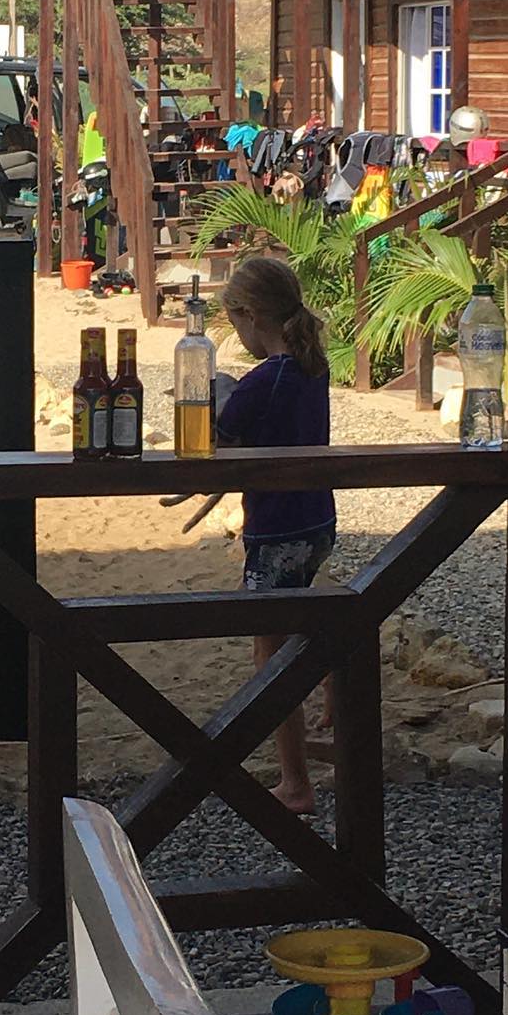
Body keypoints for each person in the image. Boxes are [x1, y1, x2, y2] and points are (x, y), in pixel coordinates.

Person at [217, 256, 336, 814]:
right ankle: (334, 705)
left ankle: (296, 781)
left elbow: (223, 433)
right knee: (305, 623)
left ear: (248, 316)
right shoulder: (314, 368)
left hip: (277, 527)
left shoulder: (262, 380)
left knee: (271, 654)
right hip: (317, 518)